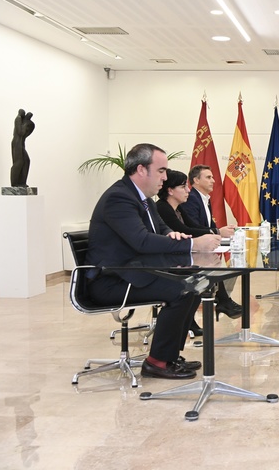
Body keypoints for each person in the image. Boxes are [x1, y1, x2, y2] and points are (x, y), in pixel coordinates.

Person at [85, 143, 221, 379]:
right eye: (161, 171)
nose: (165, 177)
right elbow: (142, 241)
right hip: (111, 280)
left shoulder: (143, 199)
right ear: (141, 170)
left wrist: (175, 235)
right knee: (182, 290)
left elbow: (162, 229)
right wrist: (193, 244)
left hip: (134, 272)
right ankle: (157, 362)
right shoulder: (119, 198)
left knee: (195, 284)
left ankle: (169, 356)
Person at [156, 169, 236, 334]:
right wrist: (216, 232)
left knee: (207, 270)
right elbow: (183, 230)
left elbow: (194, 227)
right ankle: (219, 302)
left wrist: (214, 232)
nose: (187, 191)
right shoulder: (162, 208)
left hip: (182, 255)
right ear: (170, 190)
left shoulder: (179, 207)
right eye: (183, 187)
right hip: (168, 260)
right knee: (200, 276)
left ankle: (210, 307)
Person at [181, 164, 242, 320]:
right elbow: (192, 228)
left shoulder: (204, 199)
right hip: (193, 249)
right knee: (222, 267)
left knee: (234, 264)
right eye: (208, 177)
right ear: (196, 180)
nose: (213, 181)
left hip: (206, 245)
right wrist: (217, 233)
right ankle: (223, 301)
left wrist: (222, 231)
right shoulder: (191, 199)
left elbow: (209, 226)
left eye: (212, 177)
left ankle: (223, 300)